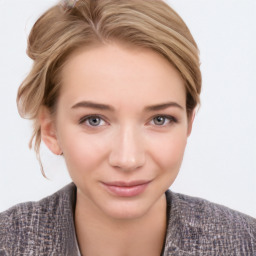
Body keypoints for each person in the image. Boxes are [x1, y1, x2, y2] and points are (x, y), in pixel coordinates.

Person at [0, 0, 255, 255]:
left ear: (189, 122)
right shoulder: (8, 242)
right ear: (50, 130)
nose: (128, 159)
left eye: (159, 119)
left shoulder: (246, 243)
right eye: (94, 120)